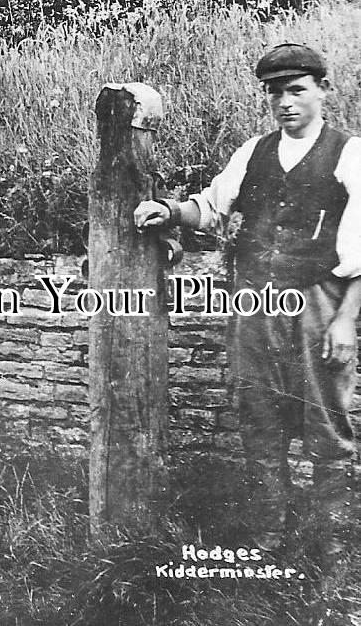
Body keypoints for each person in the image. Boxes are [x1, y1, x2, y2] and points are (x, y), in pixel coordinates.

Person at [134, 43, 361, 561]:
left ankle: (330, 545)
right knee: (258, 416)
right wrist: (167, 211)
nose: (286, 102)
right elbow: (210, 209)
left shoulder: (350, 153)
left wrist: (346, 320)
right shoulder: (253, 151)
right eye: (276, 93)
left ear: (323, 91)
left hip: (317, 302)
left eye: (298, 90)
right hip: (254, 305)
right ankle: (269, 534)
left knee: (326, 422)